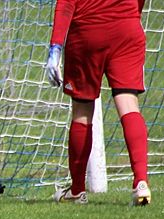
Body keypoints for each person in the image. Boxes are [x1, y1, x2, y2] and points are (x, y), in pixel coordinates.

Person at [45, 0, 152, 206]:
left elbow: (66, 3)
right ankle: (141, 182)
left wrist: (55, 48)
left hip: (87, 32)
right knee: (129, 104)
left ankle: (77, 191)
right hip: (127, 29)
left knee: (82, 112)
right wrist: (130, 16)